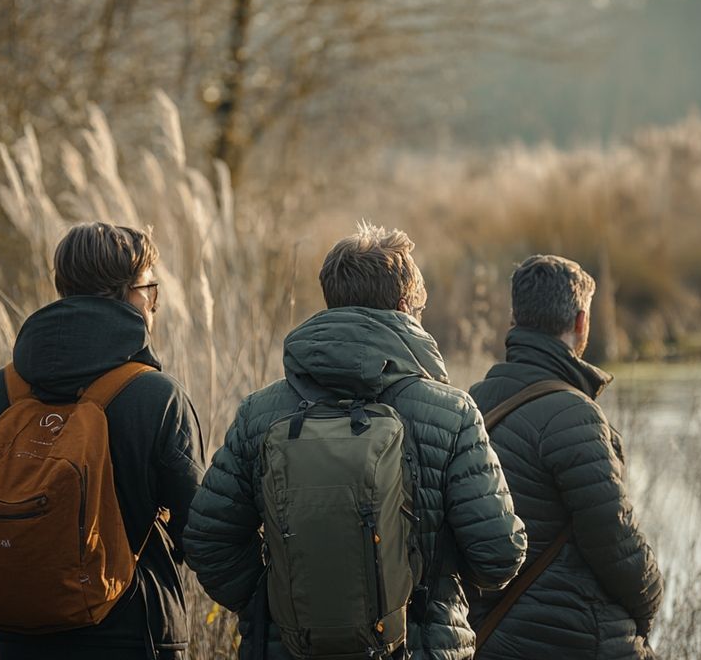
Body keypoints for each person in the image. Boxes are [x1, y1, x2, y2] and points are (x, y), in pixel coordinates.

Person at [182, 223, 527, 660]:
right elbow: (498, 554)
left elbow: (207, 540)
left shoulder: (261, 412)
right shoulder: (450, 413)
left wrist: (279, 602)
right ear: (404, 307)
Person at [0, 222, 205, 659]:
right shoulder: (155, 394)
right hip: (134, 632)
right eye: (151, 290)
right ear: (131, 294)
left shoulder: (2, 388)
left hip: (21, 636)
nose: (154, 305)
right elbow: (198, 526)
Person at [466, 254, 663, 660]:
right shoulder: (574, 414)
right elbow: (613, 536)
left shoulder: (472, 403)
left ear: (515, 318)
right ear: (580, 322)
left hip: (488, 636)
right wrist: (650, 600)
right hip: (574, 637)